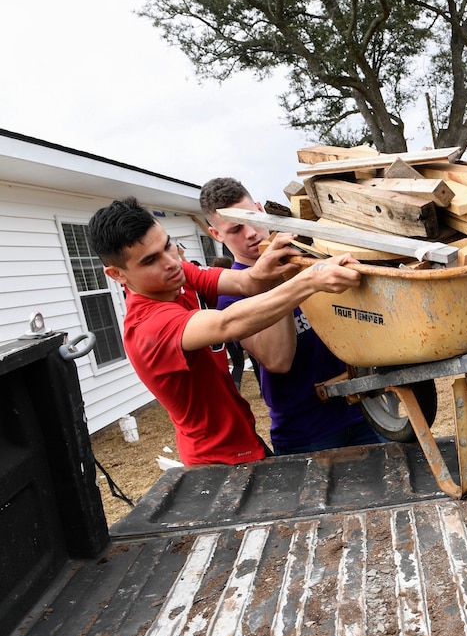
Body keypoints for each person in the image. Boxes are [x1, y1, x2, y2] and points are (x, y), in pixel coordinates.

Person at [88, 197, 361, 465]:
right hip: (214, 460)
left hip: (244, 441)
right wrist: (310, 281)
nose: (170, 262)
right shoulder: (147, 326)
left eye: (168, 245)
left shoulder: (177, 274)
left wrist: (269, 262)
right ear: (117, 275)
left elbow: (246, 281)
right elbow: (227, 323)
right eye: (149, 261)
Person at [201, 177, 384, 455]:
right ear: (216, 235)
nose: (251, 233)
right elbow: (277, 359)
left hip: (369, 410)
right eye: (236, 229)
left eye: (253, 218)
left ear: (261, 209)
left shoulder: (310, 253)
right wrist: (278, 281)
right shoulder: (231, 295)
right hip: (306, 432)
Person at [210, 255, 249, 389]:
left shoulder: (212, 291)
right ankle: (238, 388)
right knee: (243, 362)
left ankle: (233, 387)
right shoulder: (235, 288)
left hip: (221, 332)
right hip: (239, 331)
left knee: (233, 362)